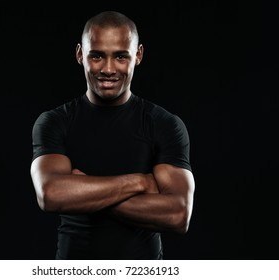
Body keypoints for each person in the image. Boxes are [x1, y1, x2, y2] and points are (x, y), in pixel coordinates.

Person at [30, 10, 195, 260]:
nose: (108, 69)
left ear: (137, 55)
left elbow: (178, 215)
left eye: (120, 57)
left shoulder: (164, 124)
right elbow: (50, 195)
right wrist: (139, 182)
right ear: (79, 55)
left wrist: (84, 194)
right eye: (97, 56)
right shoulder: (54, 122)